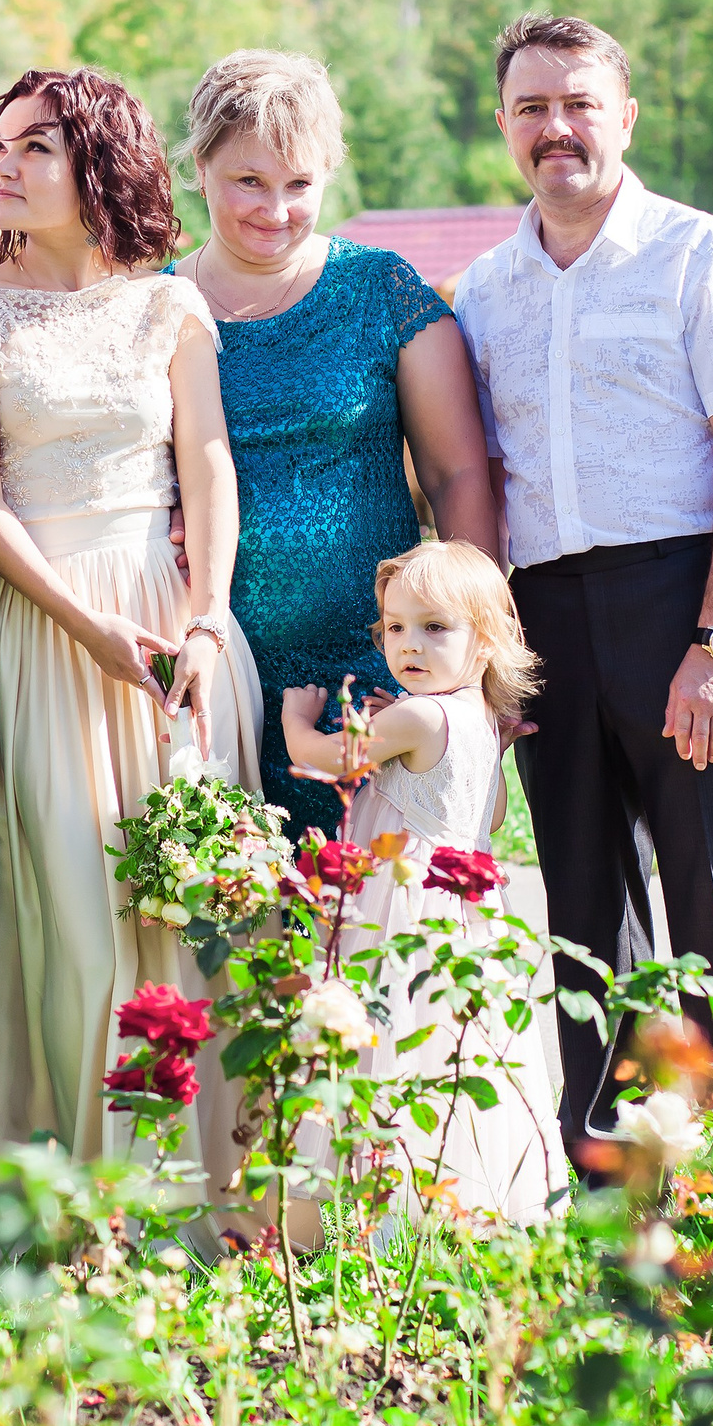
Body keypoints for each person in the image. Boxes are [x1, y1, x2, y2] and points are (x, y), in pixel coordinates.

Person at [451, 13, 713, 1152]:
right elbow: (485, 476)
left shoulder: (700, 254)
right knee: (584, 919)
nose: (557, 128)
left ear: (625, 116)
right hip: (546, 619)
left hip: (681, 610)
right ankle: (609, 1186)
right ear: (503, 124)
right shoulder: (484, 290)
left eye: (579, 104)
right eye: (532, 108)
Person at [0, 68, 260, 1243]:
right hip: (43, 628)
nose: (5, 167)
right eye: (0, 145)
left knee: (183, 912)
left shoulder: (168, 306)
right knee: (73, 918)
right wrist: (84, 624)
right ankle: (73, 1211)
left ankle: (199, 1211)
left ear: (99, 168)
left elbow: (208, 464)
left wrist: (210, 614)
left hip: (176, 628)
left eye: (36, 149)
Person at [168, 50, 497, 841]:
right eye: (249, 180)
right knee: (233, 917)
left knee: (374, 911)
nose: (275, 208)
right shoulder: (159, 300)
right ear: (202, 165)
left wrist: (475, 664)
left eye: (300, 185)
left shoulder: (382, 290)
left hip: (381, 661)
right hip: (220, 658)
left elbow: (458, 474)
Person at [282, 541, 563, 1223]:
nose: (409, 644)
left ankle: (373, 1199)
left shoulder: (415, 717)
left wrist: (296, 717)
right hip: (462, 910)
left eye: (435, 628)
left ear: (486, 639)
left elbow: (327, 761)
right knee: (453, 1045)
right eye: (396, 627)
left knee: (388, 1033)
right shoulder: (478, 722)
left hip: (398, 904)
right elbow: (489, 811)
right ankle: (464, 1193)